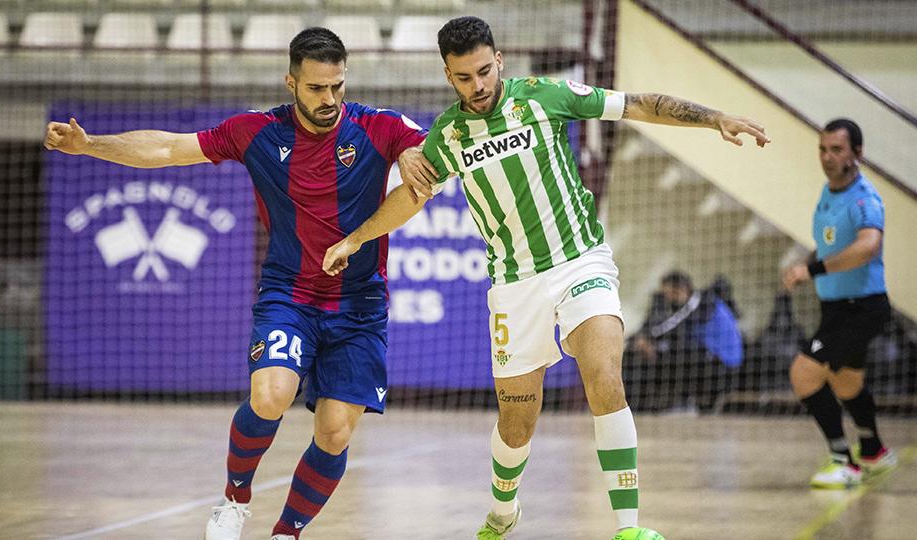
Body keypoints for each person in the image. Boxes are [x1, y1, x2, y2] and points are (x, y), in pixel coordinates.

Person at [323, 16, 768, 539]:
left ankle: (629, 528)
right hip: (515, 285)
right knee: (518, 421)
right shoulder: (447, 135)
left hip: (581, 260)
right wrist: (356, 238)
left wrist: (714, 118)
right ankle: (504, 511)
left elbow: (636, 104)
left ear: (500, 61)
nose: (479, 85)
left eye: (485, 71)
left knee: (605, 376)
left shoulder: (543, 97)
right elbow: (411, 197)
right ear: (449, 76)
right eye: (465, 77)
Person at [44, 28, 434, 540]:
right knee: (272, 394)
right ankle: (233, 499)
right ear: (291, 82)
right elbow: (166, 149)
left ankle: (285, 533)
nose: (329, 99)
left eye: (337, 86)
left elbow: (428, 157)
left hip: (360, 304)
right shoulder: (256, 131)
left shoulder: (379, 126)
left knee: (335, 432)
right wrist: (90, 145)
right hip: (289, 293)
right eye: (317, 88)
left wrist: (413, 155)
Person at [782, 118, 896, 489]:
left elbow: (867, 245)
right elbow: (834, 245)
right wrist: (806, 266)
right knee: (847, 384)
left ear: (857, 154)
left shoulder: (864, 197)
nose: (828, 157)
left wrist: (812, 269)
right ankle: (875, 451)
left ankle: (842, 460)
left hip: (860, 308)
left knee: (804, 374)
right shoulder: (829, 192)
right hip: (836, 307)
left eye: (837, 150)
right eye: (823, 149)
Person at [629, 272, 744, 412]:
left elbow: (672, 326)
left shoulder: (703, 302)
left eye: (669, 294)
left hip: (725, 364)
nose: (667, 299)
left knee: (672, 356)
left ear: (681, 289)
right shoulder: (694, 304)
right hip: (711, 358)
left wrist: (645, 339)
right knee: (666, 352)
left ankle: (681, 403)